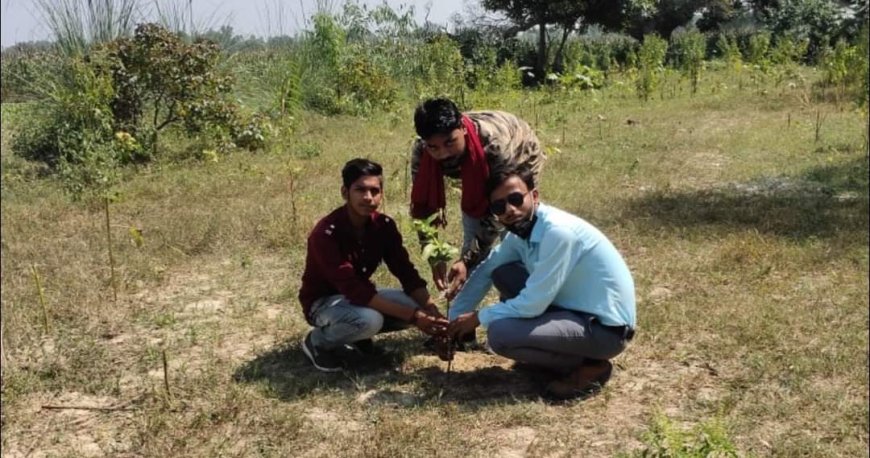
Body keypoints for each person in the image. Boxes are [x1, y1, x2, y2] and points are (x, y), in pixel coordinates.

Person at [446, 164, 636, 400]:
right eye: (499, 206)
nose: (510, 209)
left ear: (534, 196)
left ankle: (590, 364)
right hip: (574, 312)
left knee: (500, 334)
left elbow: (532, 304)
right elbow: (488, 270)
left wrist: (478, 317)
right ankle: (555, 352)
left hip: (606, 331)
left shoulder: (558, 232)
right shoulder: (520, 231)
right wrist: (452, 320)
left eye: (516, 199)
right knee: (502, 273)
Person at [299, 158, 449, 372]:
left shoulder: (384, 226)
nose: (368, 197)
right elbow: (353, 288)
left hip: (358, 297)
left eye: (374, 191)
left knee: (413, 305)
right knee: (370, 320)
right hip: (323, 303)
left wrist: (433, 313)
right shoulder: (326, 233)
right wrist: (416, 317)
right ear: (345, 192)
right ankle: (317, 342)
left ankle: (358, 338)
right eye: (360, 190)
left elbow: (406, 272)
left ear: (382, 194)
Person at [409, 97, 546, 300]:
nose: (443, 153)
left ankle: (517, 298)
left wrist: (466, 260)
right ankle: (460, 311)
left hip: (520, 150)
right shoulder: (422, 150)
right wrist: (434, 255)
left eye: (449, 142)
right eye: (434, 147)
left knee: (515, 227)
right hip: (475, 165)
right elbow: (421, 207)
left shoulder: (495, 147)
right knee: (472, 229)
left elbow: (494, 213)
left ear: (462, 129)